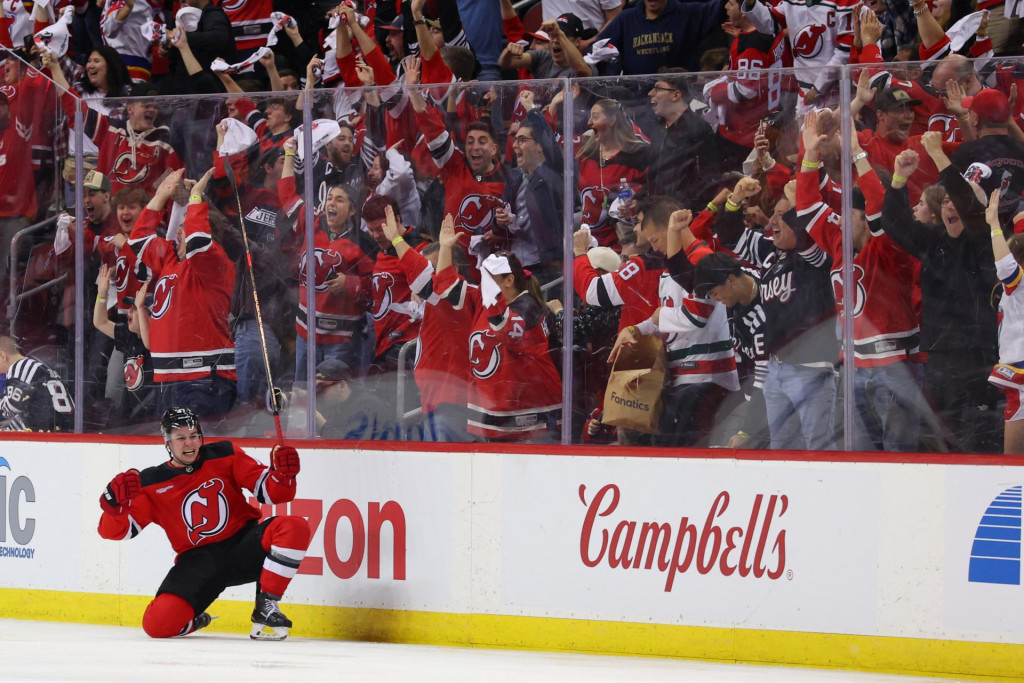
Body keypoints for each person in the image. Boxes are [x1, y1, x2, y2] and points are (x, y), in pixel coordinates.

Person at [97, 406, 311, 640]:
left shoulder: (225, 453)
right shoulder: (151, 482)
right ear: (167, 442)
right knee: (157, 625)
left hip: (243, 546)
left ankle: (266, 605)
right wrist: (115, 508)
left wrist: (282, 475)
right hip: (198, 562)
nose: (189, 443)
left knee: (295, 526)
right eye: (181, 438)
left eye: (193, 436)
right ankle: (196, 622)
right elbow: (117, 532)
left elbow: (273, 494)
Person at [0, 334, 74, 431]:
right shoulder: (36, 366)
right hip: (61, 429)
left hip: (46, 433)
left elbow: (11, 407)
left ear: (2, 356)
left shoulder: (19, 367)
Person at [313, 360, 390, 440]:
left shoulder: (366, 404)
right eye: (316, 387)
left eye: (322, 386)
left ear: (341, 385)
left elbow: (350, 444)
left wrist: (320, 421)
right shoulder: (335, 405)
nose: (318, 392)